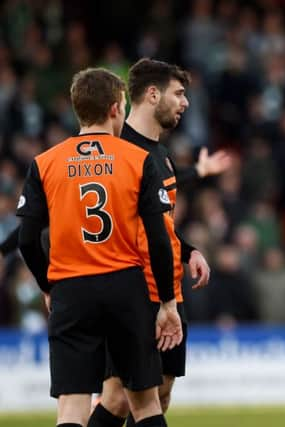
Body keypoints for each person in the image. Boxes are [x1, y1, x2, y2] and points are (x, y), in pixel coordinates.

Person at [17, 67, 182, 427]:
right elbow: (158, 238)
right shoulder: (137, 159)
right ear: (114, 108)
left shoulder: (44, 164)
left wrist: (48, 286)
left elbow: (27, 240)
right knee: (145, 404)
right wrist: (167, 302)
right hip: (126, 287)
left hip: (71, 290)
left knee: (72, 410)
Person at [88, 58, 230, 427]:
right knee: (120, 397)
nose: (185, 103)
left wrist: (189, 250)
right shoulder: (115, 151)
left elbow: (158, 224)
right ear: (152, 94)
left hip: (167, 286)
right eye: (179, 94)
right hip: (132, 289)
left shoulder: (161, 155)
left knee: (162, 391)